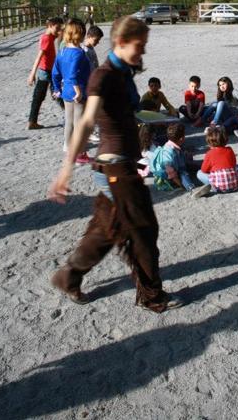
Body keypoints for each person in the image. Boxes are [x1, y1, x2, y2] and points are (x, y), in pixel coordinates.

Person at [47, 16, 183, 313]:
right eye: (139, 46)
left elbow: (125, 114)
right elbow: (85, 122)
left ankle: (67, 277)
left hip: (121, 166)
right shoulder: (103, 76)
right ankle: (152, 296)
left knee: (106, 230)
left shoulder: (123, 74)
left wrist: (155, 119)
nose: (142, 52)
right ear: (121, 43)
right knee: (144, 232)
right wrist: (65, 169)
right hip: (114, 168)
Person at [51, 18, 92, 164]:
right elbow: (73, 74)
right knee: (79, 123)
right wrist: (78, 91)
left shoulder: (62, 52)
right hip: (78, 92)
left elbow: (55, 72)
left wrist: (56, 88)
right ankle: (79, 153)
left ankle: (68, 148)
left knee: (69, 122)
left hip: (65, 92)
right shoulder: (79, 53)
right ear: (79, 34)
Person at [27, 17, 64, 130]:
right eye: (57, 28)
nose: (58, 31)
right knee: (55, 93)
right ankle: (71, 113)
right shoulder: (47, 39)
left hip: (49, 70)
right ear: (50, 26)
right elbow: (39, 56)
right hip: (46, 71)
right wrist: (32, 73)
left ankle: (32, 121)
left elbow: (60, 34)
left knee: (40, 96)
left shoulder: (49, 36)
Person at [194, 125, 238, 197]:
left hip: (219, 188)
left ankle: (212, 186)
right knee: (236, 169)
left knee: (199, 173)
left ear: (209, 142)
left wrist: (212, 170)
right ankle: (229, 181)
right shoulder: (229, 150)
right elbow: (233, 164)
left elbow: (204, 170)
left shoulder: (209, 153)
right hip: (235, 186)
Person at [150, 123, 199, 191]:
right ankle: (192, 188)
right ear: (181, 139)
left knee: (193, 165)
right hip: (168, 176)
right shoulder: (168, 153)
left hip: (177, 167)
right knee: (183, 173)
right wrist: (181, 186)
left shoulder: (173, 145)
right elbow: (171, 173)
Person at [82, 25, 103, 143]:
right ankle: (89, 132)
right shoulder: (84, 50)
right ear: (89, 36)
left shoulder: (90, 48)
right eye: (96, 40)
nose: (98, 43)